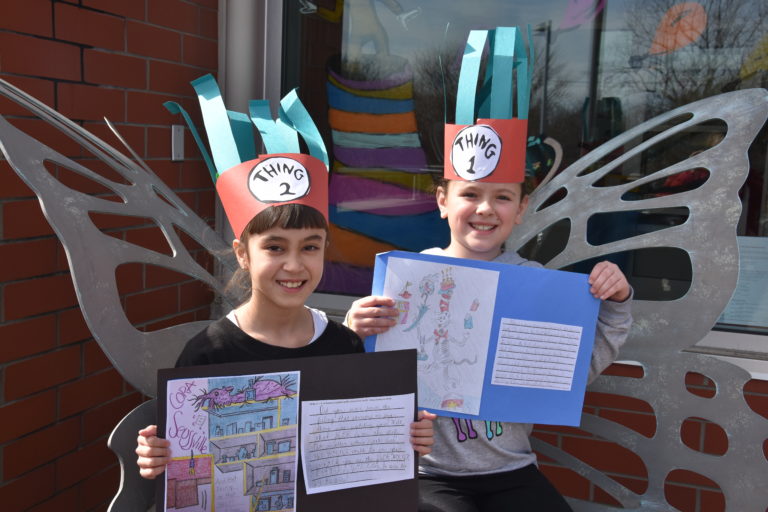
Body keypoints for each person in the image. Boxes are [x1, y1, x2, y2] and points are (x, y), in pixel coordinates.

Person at [344, 26, 633, 512]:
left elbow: (572, 371)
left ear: (521, 209)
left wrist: (616, 305)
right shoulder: (407, 283)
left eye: (502, 197)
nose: (484, 209)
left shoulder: (536, 284)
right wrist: (354, 333)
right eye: (470, 194)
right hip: (427, 473)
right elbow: (362, 385)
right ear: (442, 201)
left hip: (512, 470)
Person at [136, 77, 435, 480]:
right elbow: (183, 461)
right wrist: (157, 457)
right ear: (243, 254)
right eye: (275, 248)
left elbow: (361, 446)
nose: (294, 265)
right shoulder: (208, 354)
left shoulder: (344, 345)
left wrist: (407, 437)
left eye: (310, 247)